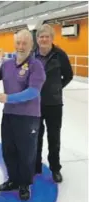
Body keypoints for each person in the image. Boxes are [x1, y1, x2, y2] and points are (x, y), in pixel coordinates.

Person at [0, 29, 45, 201]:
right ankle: (13, 180)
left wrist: (9, 97)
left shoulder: (36, 65)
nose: (21, 46)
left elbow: (33, 91)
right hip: (9, 115)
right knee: (9, 150)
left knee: (26, 153)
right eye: (18, 43)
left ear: (31, 45)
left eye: (25, 43)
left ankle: (24, 184)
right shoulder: (7, 64)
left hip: (28, 117)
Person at [34, 24, 73, 182]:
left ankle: (55, 168)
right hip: (35, 103)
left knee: (54, 137)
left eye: (46, 36)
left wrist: (57, 88)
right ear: (37, 39)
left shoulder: (60, 55)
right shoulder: (32, 55)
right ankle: (35, 165)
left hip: (54, 104)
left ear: (52, 38)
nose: (44, 39)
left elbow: (68, 75)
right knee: (36, 136)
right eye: (41, 36)